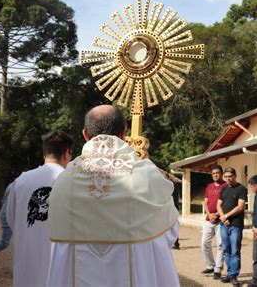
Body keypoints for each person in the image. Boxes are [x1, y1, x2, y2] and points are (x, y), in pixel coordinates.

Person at [46, 105, 180, 287]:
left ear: (85, 134)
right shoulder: (146, 174)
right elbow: (169, 233)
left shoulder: (64, 181)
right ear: (125, 131)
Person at [6, 131, 73, 287]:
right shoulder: (73, 181)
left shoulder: (21, 180)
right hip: (61, 266)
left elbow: (12, 219)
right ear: (67, 153)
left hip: (27, 263)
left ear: (44, 152)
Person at [217, 167, 247, 286]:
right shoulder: (223, 188)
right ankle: (229, 274)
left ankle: (234, 275)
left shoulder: (241, 189)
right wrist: (223, 217)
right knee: (226, 250)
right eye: (226, 177)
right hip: (224, 224)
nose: (228, 179)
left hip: (236, 225)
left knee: (235, 250)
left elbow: (240, 206)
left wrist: (226, 216)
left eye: (230, 176)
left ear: (235, 176)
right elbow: (219, 205)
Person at [201, 164, 226, 280]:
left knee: (220, 245)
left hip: (220, 220)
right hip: (209, 220)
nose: (215, 175)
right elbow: (205, 202)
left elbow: (227, 203)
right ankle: (210, 265)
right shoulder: (209, 186)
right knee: (204, 243)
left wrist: (217, 214)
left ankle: (218, 268)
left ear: (221, 173)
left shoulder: (226, 186)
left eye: (217, 173)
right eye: (213, 173)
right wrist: (209, 214)